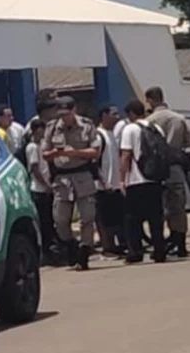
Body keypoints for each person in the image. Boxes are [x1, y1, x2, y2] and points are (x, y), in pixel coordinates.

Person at [42, 96, 101, 270]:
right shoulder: (52, 127)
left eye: (67, 113)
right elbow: (44, 154)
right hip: (62, 178)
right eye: (61, 114)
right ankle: (71, 246)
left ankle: (84, 252)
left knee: (87, 217)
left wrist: (75, 153)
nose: (64, 117)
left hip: (82, 174)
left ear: (74, 110)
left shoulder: (87, 125)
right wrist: (56, 152)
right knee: (60, 220)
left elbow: (95, 151)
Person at [144, 86, 190, 257]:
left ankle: (166, 241)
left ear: (150, 100)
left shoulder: (149, 121)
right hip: (176, 167)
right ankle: (180, 243)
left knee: (162, 207)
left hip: (157, 170)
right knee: (179, 207)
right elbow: (189, 142)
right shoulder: (179, 118)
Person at [119, 99, 167, 264]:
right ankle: (159, 250)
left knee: (132, 218)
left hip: (136, 179)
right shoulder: (156, 128)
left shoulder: (130, 129)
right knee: (156, 217)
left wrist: (122, 179)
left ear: (131, 114)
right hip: (155, 178)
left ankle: (135, 252)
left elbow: (126, 155)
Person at [25, 119, 59, 265]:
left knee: (49, 222)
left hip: (45, 188)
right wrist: (46, 185)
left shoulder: (42, 146)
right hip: (38, 189)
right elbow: (34, 168)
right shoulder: (32, 147)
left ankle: (50, 251)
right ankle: (44, 253)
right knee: (44, 223)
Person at [96, 105, 125, 256]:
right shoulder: (98, 135)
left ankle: (116, 245)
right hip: (102, 186)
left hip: (114, 185)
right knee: (104, 218)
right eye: (114, 114)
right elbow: (94, 162)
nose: (117, 117)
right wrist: (103, 181)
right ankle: (107, 247)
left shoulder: (111, 134)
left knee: (115, 216)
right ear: (104, 115)